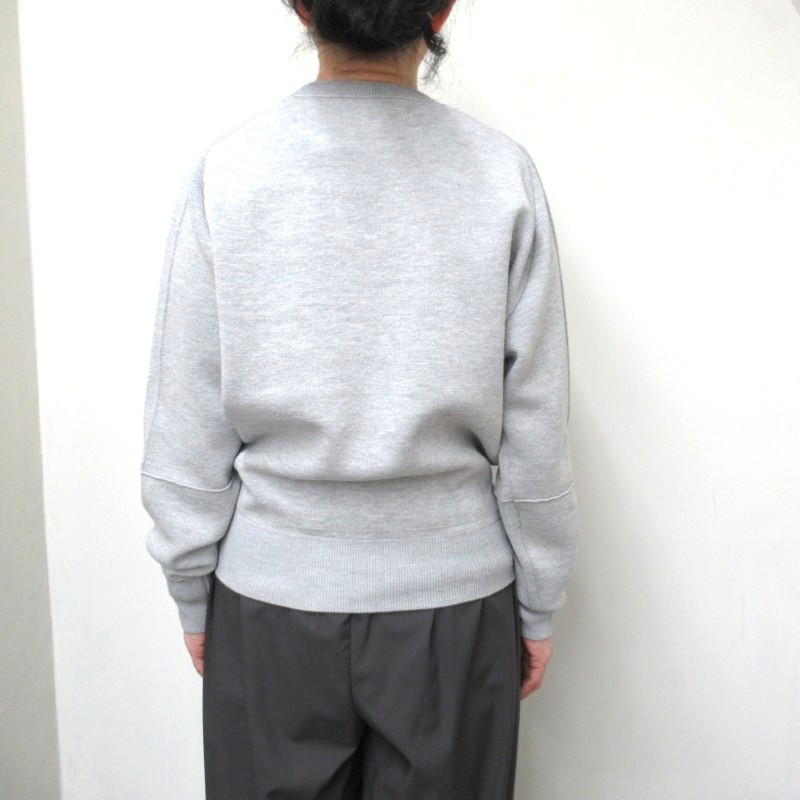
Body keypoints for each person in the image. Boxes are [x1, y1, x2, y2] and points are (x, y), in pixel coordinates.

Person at [140, 0, 580, 796]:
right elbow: (536, 421)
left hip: (270, 610)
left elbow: (186, 413)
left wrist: (190, 584)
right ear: (442, 7)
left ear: (299, 6)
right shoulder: (500, 173)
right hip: (454, 610)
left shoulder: (229, 170)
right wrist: (540, 598)